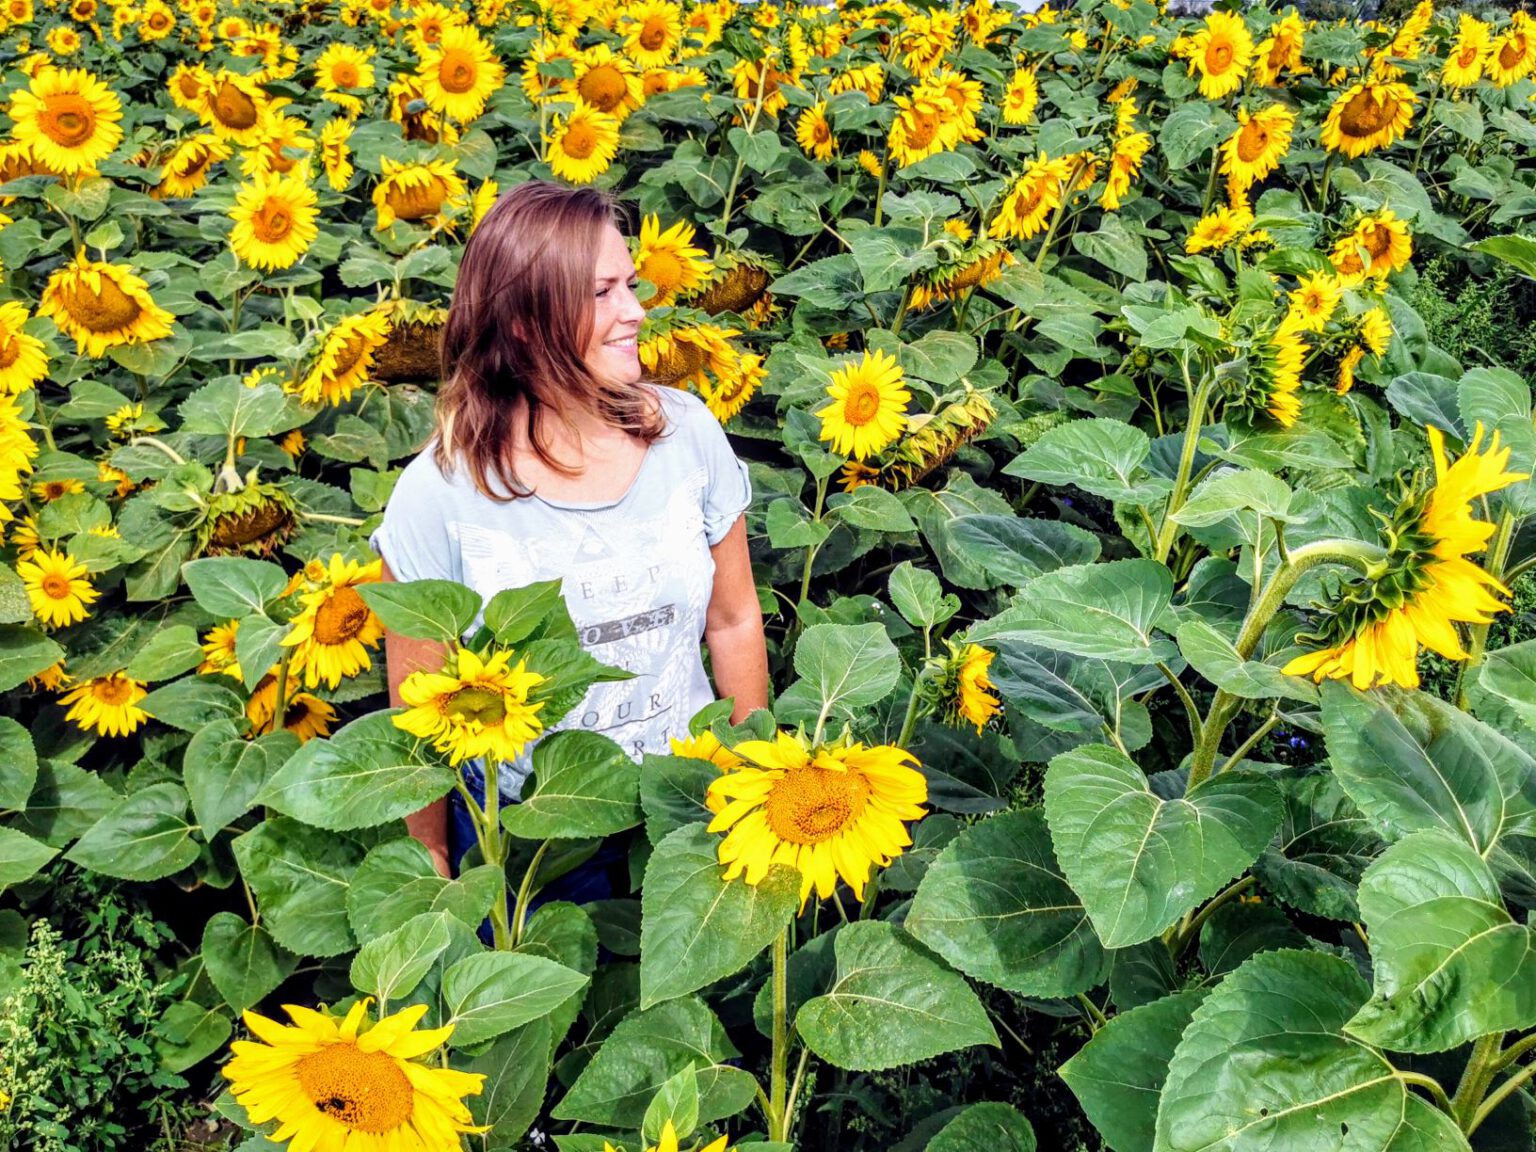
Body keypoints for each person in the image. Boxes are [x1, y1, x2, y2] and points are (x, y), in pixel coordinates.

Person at [371, 180, 769, 879]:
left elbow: (733, 620)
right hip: (534, 839)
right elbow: (419, 707)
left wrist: (756, 779)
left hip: (689, 806)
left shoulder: (686, 435)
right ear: (524, 321)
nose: (635, 312)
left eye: (631, 285)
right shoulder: (440, 495)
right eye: (601, 293)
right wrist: (430, 854)